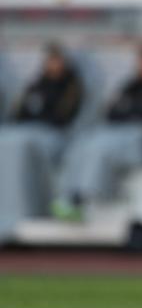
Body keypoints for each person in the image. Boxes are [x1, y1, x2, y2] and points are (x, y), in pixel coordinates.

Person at [52, 44, 142, 220]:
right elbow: (112, 111)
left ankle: (83, 197)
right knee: (83, 142)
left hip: (140, 136)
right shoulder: (132, 85)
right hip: (117, 130)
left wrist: (127, 111)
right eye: (140, 61)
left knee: (101, 146)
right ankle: (67, 194)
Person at [0, 44, 82, 228]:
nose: (53, 65)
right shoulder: (36, 84)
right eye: (50, 61)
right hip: (27, 130)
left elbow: (63, 117)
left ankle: (38, 203)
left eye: (57, 61)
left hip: (53, 133)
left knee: (27, 146)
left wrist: (40, 119)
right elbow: (19, 112)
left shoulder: (71, 86)